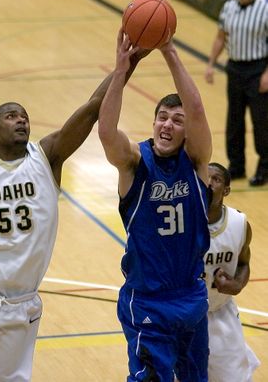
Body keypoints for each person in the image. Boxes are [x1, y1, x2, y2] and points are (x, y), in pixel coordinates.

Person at [0, 49, 146, 381]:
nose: (21, 119)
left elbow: (94, 107)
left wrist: (127, 65)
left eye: (23, 115)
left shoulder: (45, 157)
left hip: (17, 308)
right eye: (10, 116)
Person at [98, 28, 212, 381]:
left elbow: (196, 109)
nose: (168, 124)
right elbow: (106, 132)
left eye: (177, 121)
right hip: (147, 300)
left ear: (186, 131)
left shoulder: (196, 163)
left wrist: (169, 50)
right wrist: (120, 73)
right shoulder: (135, 162)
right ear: (153, 122)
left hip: (192, 296)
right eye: (162, 116)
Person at [175, 162, 260, 381]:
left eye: (216, 180)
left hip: (219, 313)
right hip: (183, 315)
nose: (209, 183)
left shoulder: (239, 223)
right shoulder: (178, 221)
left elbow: (243, 263)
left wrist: (238, 284)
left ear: (227, 190)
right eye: (205, 177)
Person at [205, 0, 268, 186]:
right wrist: (211, 64)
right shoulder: (228, 7)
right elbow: (220, 38)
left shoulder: (264, 9)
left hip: (257, 69)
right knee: (234, 120)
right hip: (235, 69)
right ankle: (237, 165)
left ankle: (264, 167)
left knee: (261, 121)